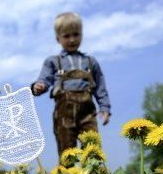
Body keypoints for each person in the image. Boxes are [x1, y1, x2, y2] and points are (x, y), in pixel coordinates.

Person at [31, 12, 111, 156]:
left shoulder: (90, 62)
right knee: (67, 151)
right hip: (64, 114)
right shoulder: (53, 61)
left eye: (76, 34)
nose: (72, 39)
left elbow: (100, 86)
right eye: (66, 36)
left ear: (82, 35)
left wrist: (104, 108)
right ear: (58, 39)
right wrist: (39, 87)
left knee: (92, 150)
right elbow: (44, 80)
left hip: (88, 113)